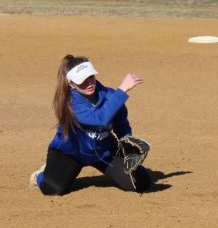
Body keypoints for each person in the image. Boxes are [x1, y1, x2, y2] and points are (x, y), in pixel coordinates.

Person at [29, 55, 151, 196]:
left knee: (141, 182)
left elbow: (121, 124)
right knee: (51, 188)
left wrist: (127, 141)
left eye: (91, 77)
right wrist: (122, 89)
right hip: (70, 153)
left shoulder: (111, 96)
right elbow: (100, 119)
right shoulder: (70, 103)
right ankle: (41, 174)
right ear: (71, 84)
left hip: (103, 152)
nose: (89, 83)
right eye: (82, 81)